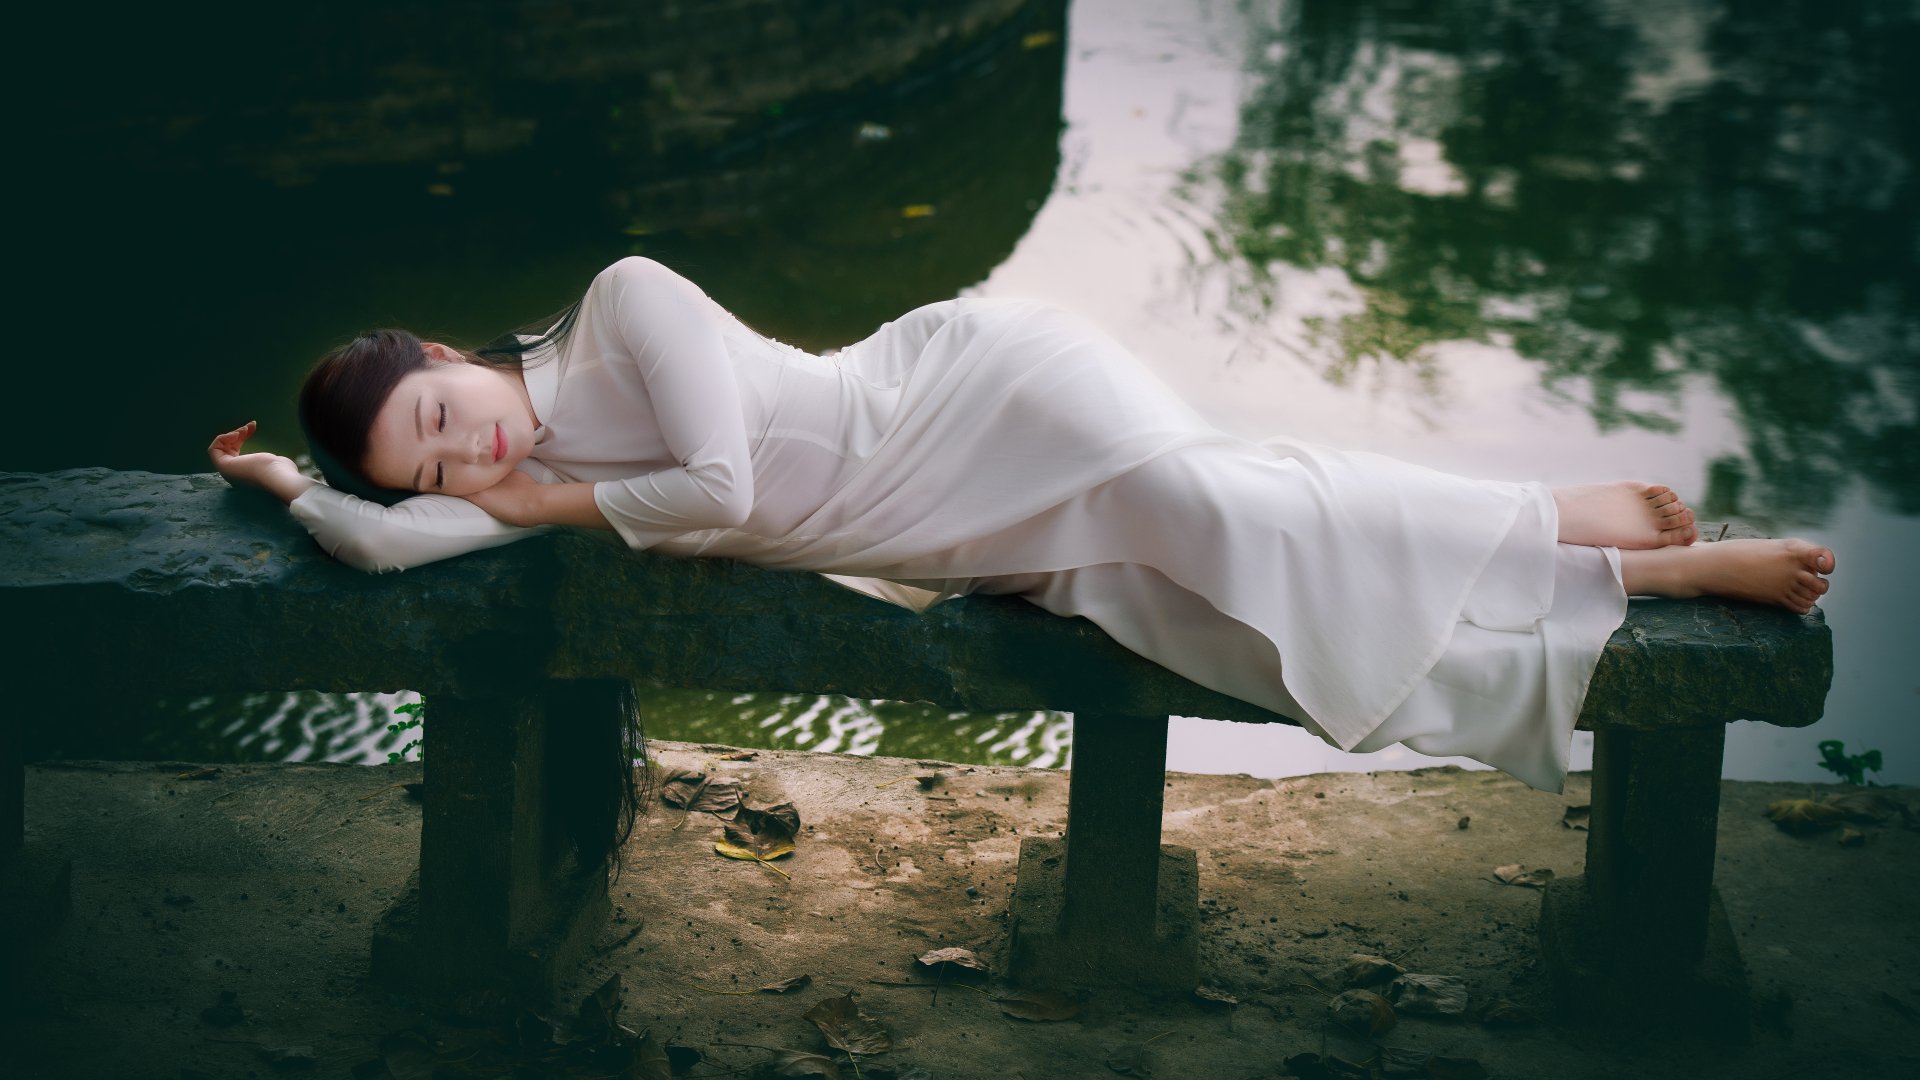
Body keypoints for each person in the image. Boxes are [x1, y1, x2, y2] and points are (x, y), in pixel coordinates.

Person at [210, 257, 1835, 794]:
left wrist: (545, 500)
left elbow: (724, 492)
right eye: (431, 469)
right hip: (950, 534)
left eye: (439, 419)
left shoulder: (626, 310)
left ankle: (1633, 558)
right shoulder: (500, 488)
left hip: (972, 399)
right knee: (1213, 586)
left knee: (1199, 502)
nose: (461, 460)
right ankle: (1557, 533)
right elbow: (378, 548)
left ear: (440, 354)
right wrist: (298, 493)